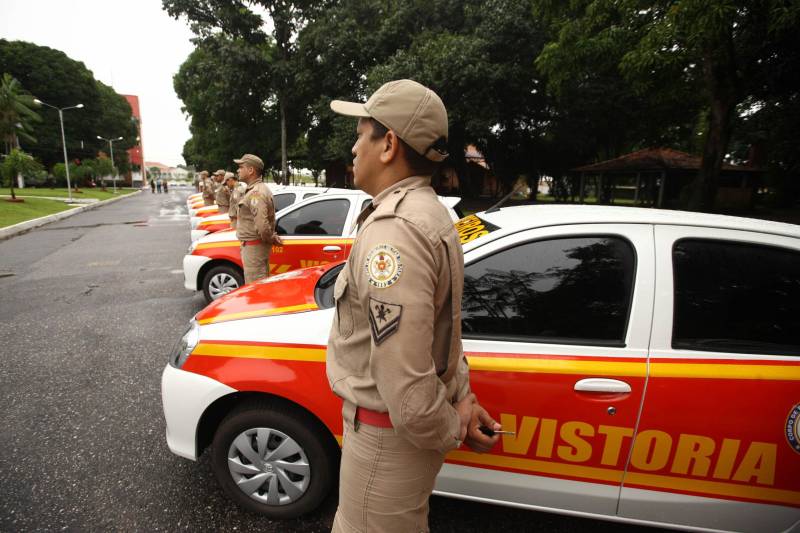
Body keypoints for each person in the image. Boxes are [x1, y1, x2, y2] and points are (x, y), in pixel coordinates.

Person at [326, 79, 501, 533]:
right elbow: (442, 332)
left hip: (387, 442)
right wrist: (462, 399)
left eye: (361, 132)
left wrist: (453, 424)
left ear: (388, 144)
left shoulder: (396, 231)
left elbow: (406, 380)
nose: (353, 146)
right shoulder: (428, 211)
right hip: (397, 441)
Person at [233, 154, 281, 283]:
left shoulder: (256, 193)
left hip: (254, 249)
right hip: (253, 247)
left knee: (256, 288)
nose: (238, 170)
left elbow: (262, 225)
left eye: (241, 167)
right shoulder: (254, 190)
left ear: (251, 170)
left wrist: (270, 238)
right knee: (259, 286)